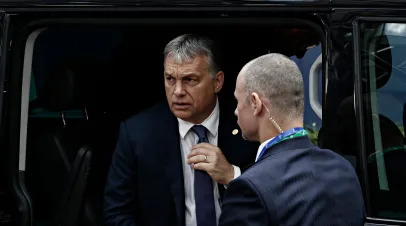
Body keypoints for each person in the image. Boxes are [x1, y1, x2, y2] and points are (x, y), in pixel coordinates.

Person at [103, 34, 258, 226]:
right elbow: (116, 212)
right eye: (170, 79)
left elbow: (275, 202)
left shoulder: (249, 126)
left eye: (190, 80)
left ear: (217, 82)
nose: (178, 91)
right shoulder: (138, 134)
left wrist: (232, 176)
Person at [218, 53, 365, 226]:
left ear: (255, 103)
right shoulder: (343, 168)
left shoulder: (248, 189)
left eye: (238, 101)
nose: (236, 111)